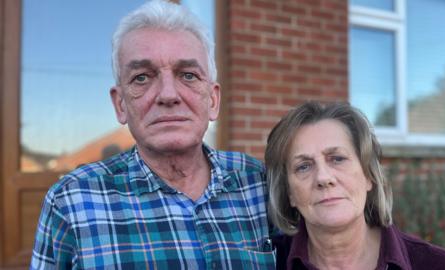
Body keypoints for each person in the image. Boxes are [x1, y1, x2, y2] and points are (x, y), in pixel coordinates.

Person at [30, 1, 275, 269]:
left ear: (213, 100)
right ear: (120, 104)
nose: (168, 95)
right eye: (142, 78)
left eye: (189, 75)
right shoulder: (72, 201)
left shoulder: (260, 184)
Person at [265, 101, 445, 270]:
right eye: (303, 166)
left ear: (368, 175)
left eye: (337, 159)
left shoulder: (435, 264)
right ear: (289, 192)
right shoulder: (264, 263)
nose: (323, 178)